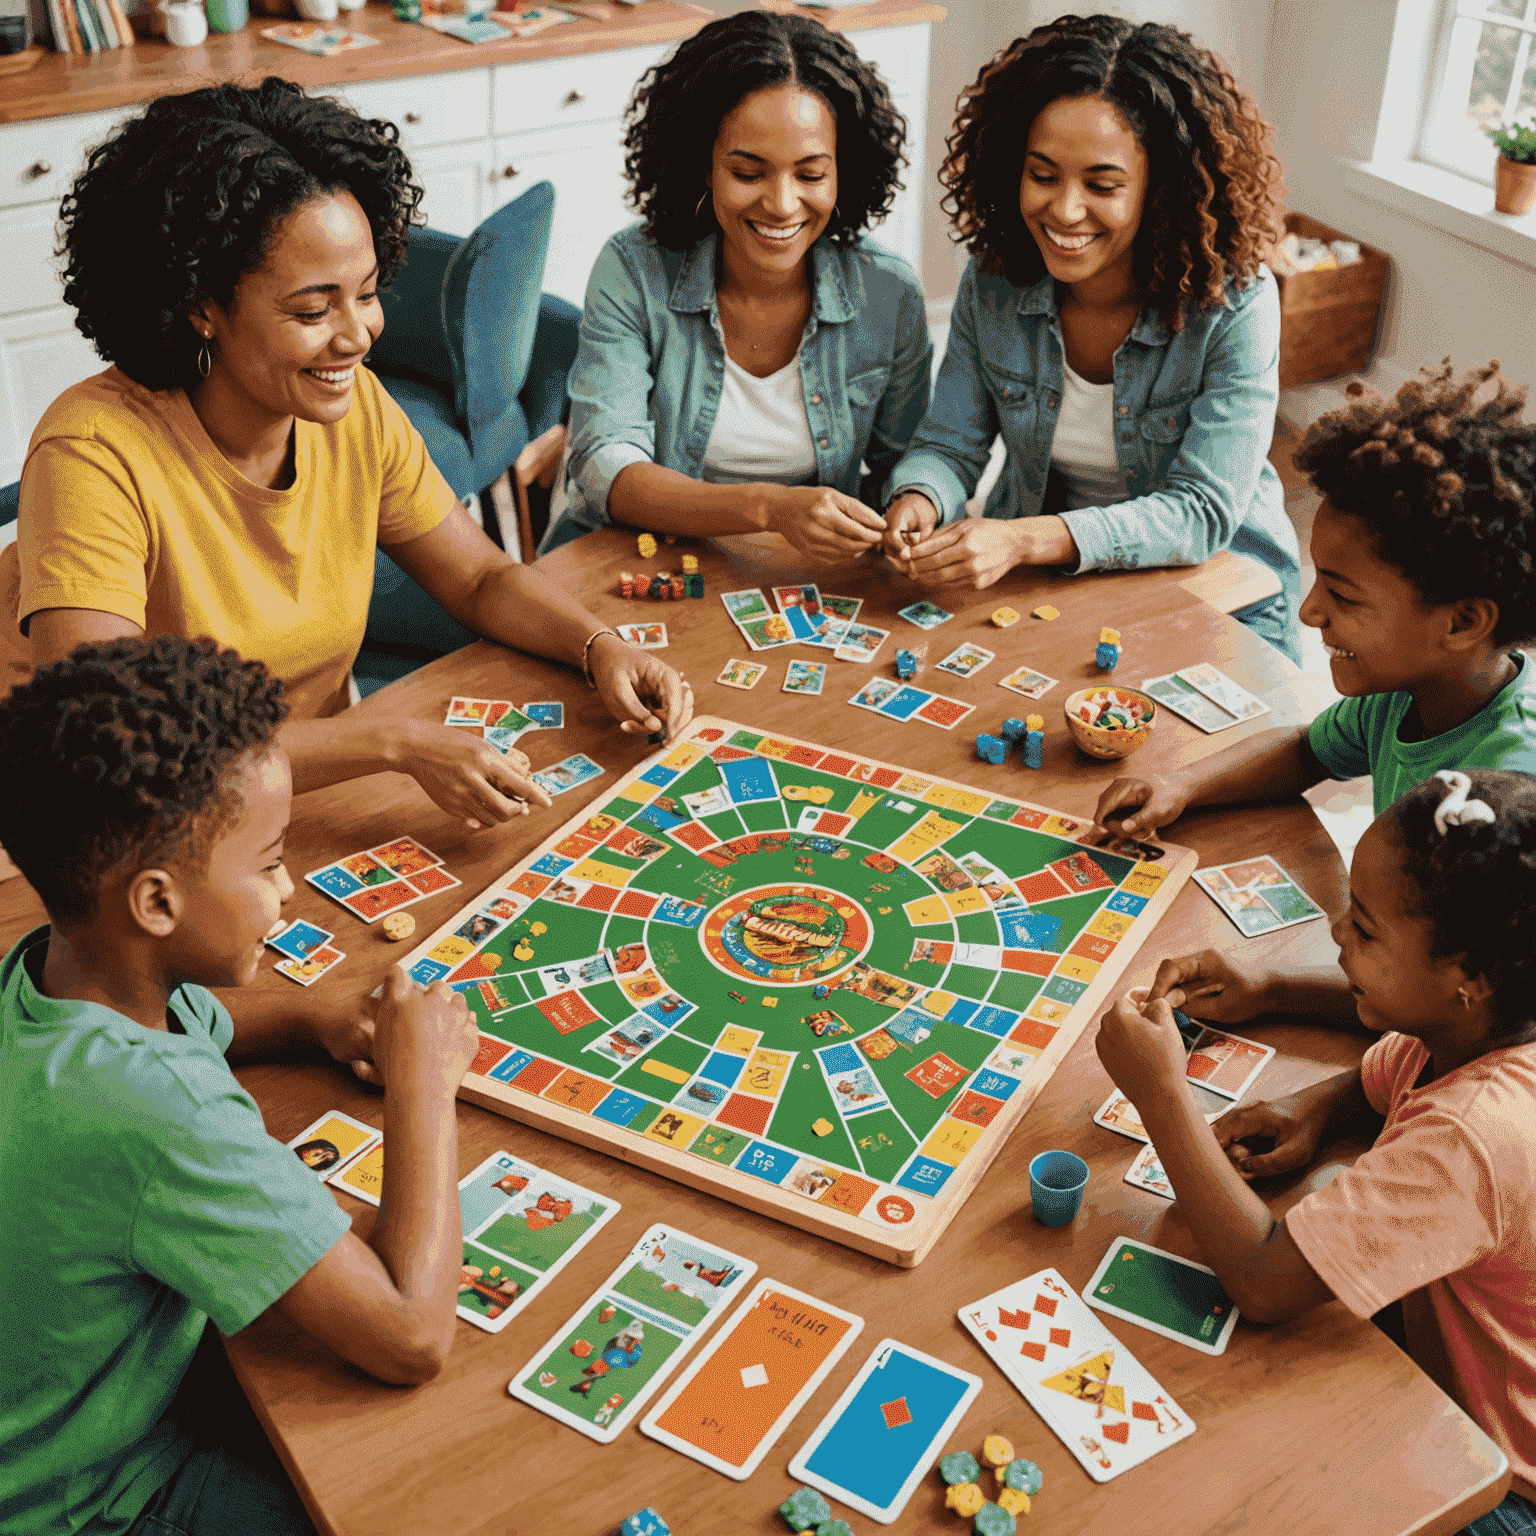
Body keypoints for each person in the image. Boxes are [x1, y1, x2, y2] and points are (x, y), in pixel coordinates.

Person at [14, 78, 692, 837]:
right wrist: (391, 743)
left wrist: (600, 647)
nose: (357, 334)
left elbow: (477, 576)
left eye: (366, 293)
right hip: (118, 828)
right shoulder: (92, 452)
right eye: (312, 309)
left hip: (295, 793)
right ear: (200, 304)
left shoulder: (352, 407)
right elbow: (113, 746)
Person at [0, 636, 480, 1536]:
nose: (290, 889)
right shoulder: (159, 1114)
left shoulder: (47, 975)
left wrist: (309, 1018)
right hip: (85, 1498)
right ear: (155, 905)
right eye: (268, 863)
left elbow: (200, 1032)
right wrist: (426, 1087)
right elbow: (410, 1337)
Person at [1094, 769, 1536, 1535]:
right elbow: (1386, 1064)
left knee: (1244, 1488)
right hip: (1454, 1358)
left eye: (1364, 931)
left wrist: (1162, 1094)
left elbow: (1264, 1284)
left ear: (1467, 979)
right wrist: (1306, 1081)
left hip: (1499, 1481)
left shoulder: (1470, 1133)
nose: (1336, 930)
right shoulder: (1479, 1027)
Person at [1095, 362, 1536, 1026]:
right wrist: (1185, 786)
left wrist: (1283, 1003)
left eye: (1343, 594)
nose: (1307, 612)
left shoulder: (1507, 790)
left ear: (1462, 622)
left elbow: (1481, 1014)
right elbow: (1309, 750)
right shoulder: (1408, 692)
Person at [881, 15, 1299, 659]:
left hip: (1215, 587)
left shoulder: (1236, 301)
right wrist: (919, 496)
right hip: (1046, 587)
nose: (1065, 211)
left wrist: (1021, 539)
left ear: (1162, 190)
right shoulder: (993, 282)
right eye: (1043, 176)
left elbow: (1200, 514)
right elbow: (950, 443)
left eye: (1101, 186)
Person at [542, 11, 932, 561]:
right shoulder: (632, 269)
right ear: (702, 166)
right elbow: (607, 467)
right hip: (642, 560)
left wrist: (916, 501)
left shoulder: (888, 292)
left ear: (845, 170)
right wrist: (771, 508)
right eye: (748, 173)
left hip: (806, 582)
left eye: (811, 174)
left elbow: (908, 459)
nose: (781, 203)